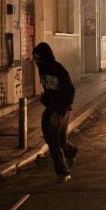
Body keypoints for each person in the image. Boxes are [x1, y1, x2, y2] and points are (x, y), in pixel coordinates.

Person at [33, 42, 77, 183]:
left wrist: (59, 112)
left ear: (46, 56)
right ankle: (71, 151)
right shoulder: (42, 69)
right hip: (50, 107)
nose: (37, 62)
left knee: (53, 140)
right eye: (35, 58)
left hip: (61, 108)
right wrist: (45, 98)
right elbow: (49, 89)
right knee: (60, 140)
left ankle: (62, 172)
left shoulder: (58, 69)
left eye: (39, 58)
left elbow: (70, 91)